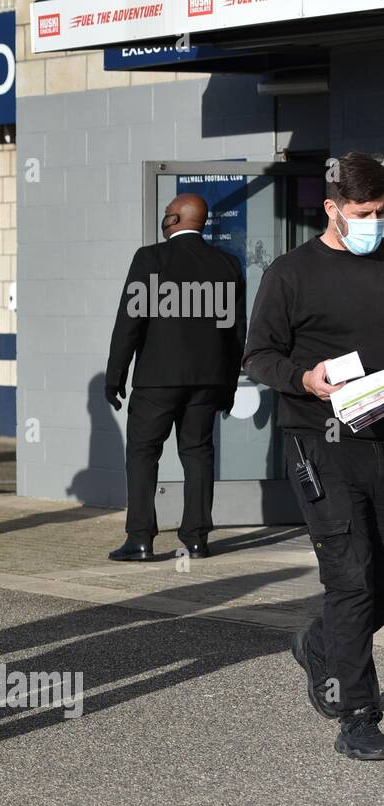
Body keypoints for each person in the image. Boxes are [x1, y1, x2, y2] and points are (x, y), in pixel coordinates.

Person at [245, 151, 384, 761]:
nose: (375, 221)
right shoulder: (290, 273)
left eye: (382, 211)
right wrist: (305, 378)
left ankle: (321, 643)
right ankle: (358, 711)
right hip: (321, 443)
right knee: (351, 575)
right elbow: (258, 357)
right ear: (332, 209)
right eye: (364, 212)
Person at [105, 193, 246, 562]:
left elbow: (129, 321)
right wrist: (228, 385)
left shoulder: (150, 258)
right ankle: (197, 539)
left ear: (173, 220)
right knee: (198, 452)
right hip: (208, 381)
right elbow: (235, 332)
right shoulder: (227, 264)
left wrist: (115, 373)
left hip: (157, 379)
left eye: (167, 215)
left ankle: (140, 540)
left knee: (142, 452)